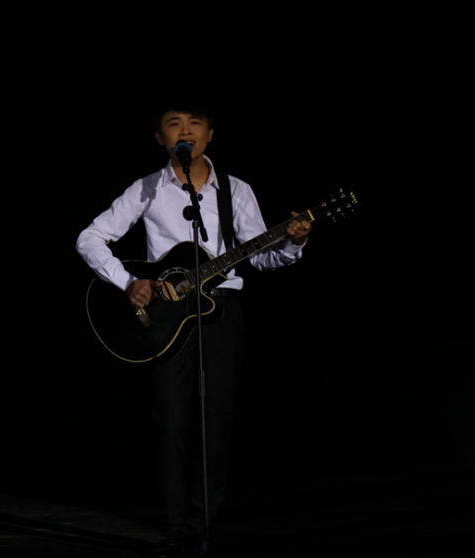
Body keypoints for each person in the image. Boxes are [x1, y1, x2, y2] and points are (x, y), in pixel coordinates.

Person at [75, 102, 311, 557]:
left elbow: (261, 256)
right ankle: (175, 524)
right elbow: (89, 237)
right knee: (171, 422)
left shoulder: (235, 190)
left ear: (210, 134)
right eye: (174, 124)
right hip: (166, 316)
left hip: (222, 314)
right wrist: (127, 281)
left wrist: (293, 241)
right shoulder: (147, 188)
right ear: (160, 138)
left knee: (215, 420)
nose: (185, 131)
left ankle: (204, 520)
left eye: (194, 124)